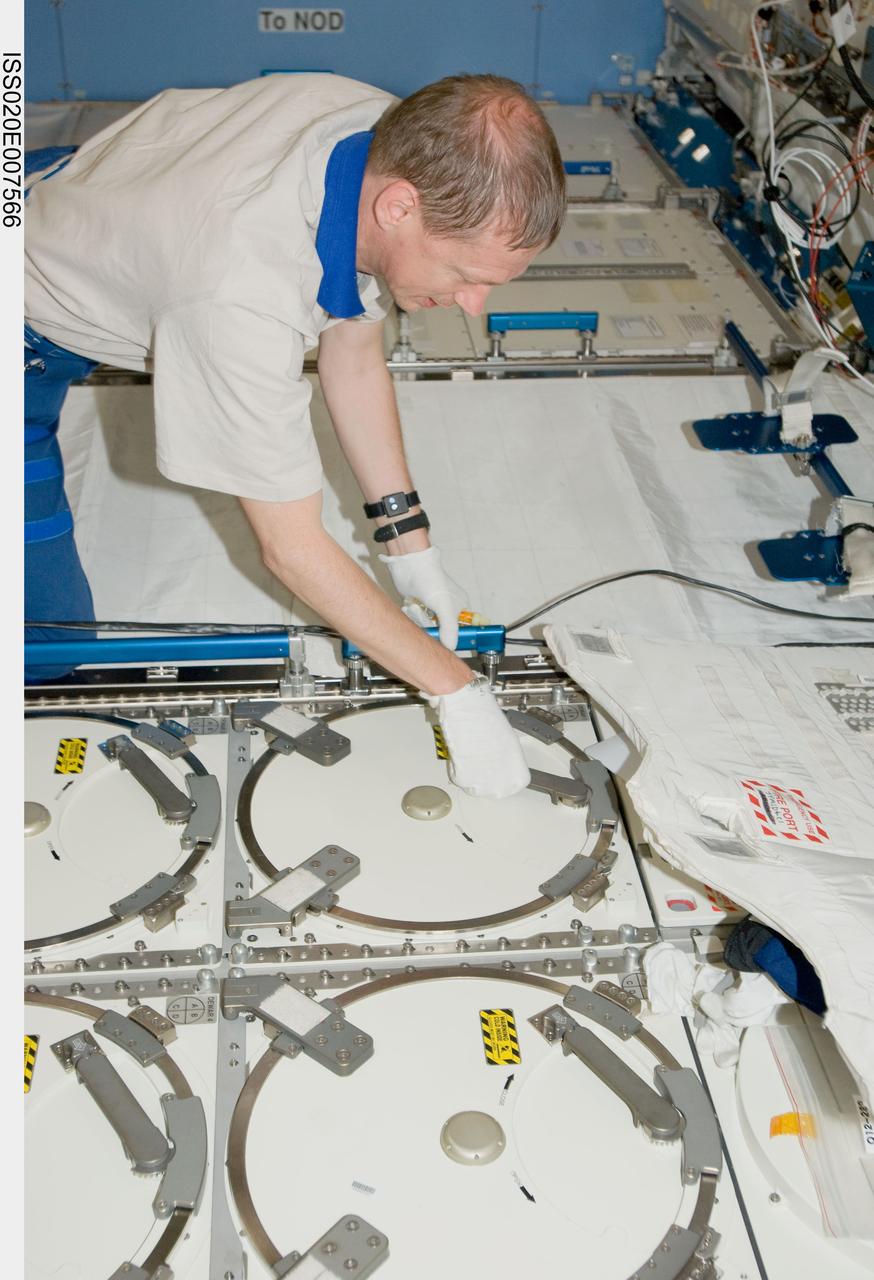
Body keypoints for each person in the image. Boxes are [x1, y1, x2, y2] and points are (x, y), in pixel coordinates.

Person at [24, 72, 566, 797]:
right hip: (28, 301)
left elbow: (351, 349)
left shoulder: (383, 132)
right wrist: (455, 691)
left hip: (87, 194)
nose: (473, 306)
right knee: (47, 653)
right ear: (400, 206)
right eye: (467, 274)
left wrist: (411, 548)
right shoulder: (236, 294)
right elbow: (290, 548)